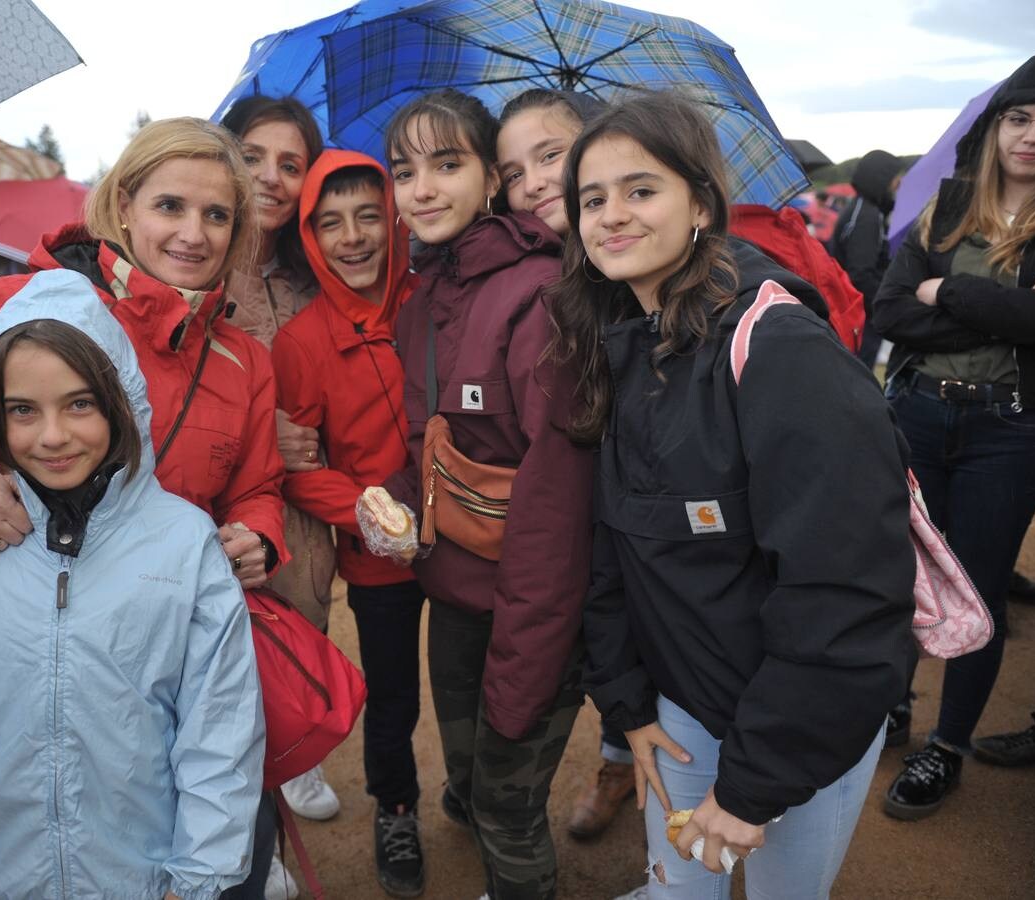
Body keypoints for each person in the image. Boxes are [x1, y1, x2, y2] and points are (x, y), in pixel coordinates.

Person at [0, 117, 289, 896]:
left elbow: (257, 483)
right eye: (172, 206)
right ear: (125, 205)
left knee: (205, 793)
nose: (194, 234)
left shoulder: (243, 358)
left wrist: (258, 536)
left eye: (218, 215)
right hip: (38, 624)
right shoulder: (27, 307)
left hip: (170, 637)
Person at [560, 92, 914, 899]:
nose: (612, 215)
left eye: (640, 189)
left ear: (701, 204)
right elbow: (618, 548)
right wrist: (628, 707)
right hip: (683, 709)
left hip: (803, 725)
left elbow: (846, 592)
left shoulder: (782, 349)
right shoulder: (622, 341)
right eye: (592, 198)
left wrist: (756, 781)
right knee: (679, 891)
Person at [0, 269, 264, 898]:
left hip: (134, 875)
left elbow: (218, 731)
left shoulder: (185, 543)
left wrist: (195, 880)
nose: (53, 436)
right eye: (23, 410)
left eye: (79, 403)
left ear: (121, 401)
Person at [377, 88, 594, 900]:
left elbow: (558, 504)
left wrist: (527, 659)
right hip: (454, 587)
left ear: (489, 183)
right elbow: (429, 438)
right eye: (404, 171)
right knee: (469, 779)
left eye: (447, 164)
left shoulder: (538, 295)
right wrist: (393, 500)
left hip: (530, 609)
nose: (421, 189)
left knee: (508, 805)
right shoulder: (427, 295)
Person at [873, 49, 1035, 820]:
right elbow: (890, 313)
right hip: (919, 412)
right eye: (1019, 119)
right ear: (995, 129)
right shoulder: (950, 206)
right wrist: (1011, 300)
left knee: (979, 591)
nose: (1033, 136)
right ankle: (888, 705)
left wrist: (949, 289)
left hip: (1008, 427)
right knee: (892, 574)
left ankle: (945, 745)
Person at [270, 149, 423, 895]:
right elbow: (296, 465)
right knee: (391, 691)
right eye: (330, 223)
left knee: (477, 677)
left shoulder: (431, 302)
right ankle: (395, 807)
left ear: (394, 220)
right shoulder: (300, 341)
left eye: (368, 216)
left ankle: (484, 793)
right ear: (310, 237)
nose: (353, 237)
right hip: (375, 554)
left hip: (467, 541)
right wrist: (367, 517)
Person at [495, 86, 640, 844]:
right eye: (514, 172)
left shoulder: (629, 260)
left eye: (550, 155)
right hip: (590, 519)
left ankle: (622, 766)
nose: (534, 183)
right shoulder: (548, 280)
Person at [220, 97, 340, 845]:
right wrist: (262, 429)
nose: (269, 176)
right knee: (222, 661)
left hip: (301, 505)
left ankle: (294, 754)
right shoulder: (193, 256)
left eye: (290, 164)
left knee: (300, 628)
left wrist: (315, 432)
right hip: (214, 499)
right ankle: (246, 840)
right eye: (253, 156)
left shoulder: (314, 274)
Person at [829, 149, 902, 368]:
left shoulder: (866, 210)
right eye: (895, 179)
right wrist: (885, 307)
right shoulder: (866, 217)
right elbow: (860, 274)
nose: (898, 185)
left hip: (857, 312)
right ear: (881, 179)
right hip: (858, 317)